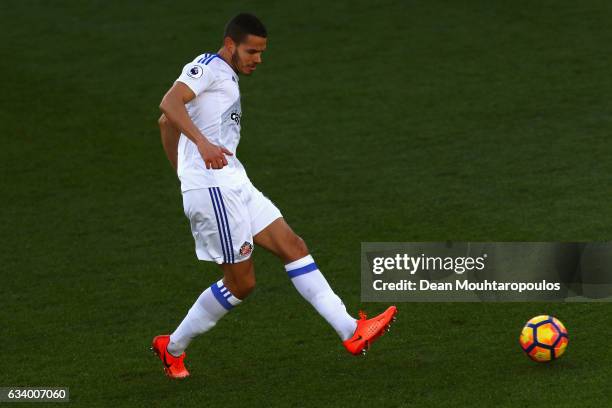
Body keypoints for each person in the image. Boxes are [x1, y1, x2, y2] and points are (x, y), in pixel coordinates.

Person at [152, 12, 397, 379]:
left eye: (262, 52)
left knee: (292, 245)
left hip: (234, 182)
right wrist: (197, 160)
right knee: (242, 284)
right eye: (252, 51)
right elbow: (168, 106)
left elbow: (165, 124)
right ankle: (171, 347)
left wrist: (182, 171)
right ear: (231, 44)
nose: (258, 59)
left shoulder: (228, 77)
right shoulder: (207, 67)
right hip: (214, 190)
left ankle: (351, 331)